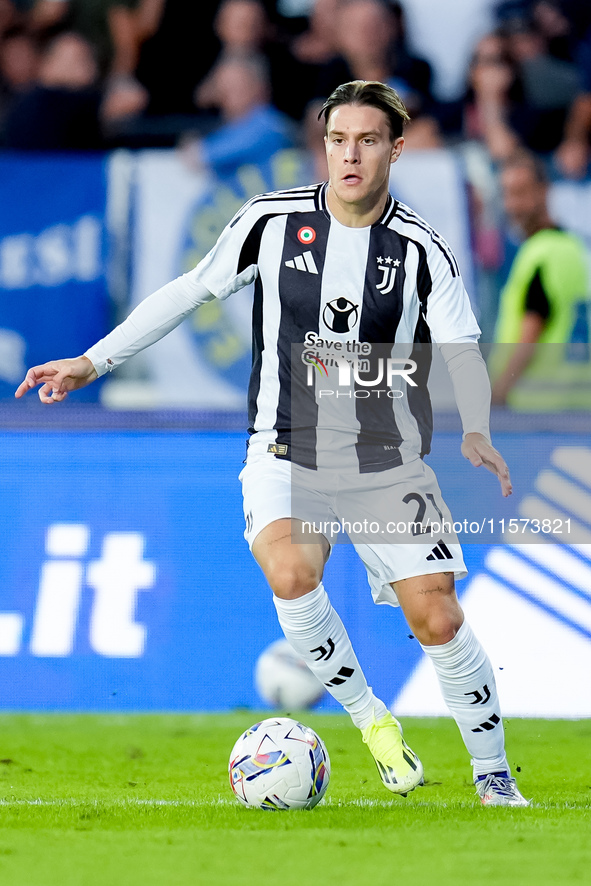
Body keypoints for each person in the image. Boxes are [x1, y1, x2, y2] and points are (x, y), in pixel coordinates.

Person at [15, 80, 529, 807]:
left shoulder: (420, 251)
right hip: (286, 447)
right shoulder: (268, 222)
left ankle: (494, 777)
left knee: (436, 613)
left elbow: (462, 348)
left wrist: (475, 426)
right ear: (323, 147)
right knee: (289, 570)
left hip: (386, 458)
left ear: (395, 149)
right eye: (337, 139)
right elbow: (188, 290)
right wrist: (93, 361)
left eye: (368, 140)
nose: (350, 155)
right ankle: (370, 720)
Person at [491, 151, 590, 409]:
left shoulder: (540, 254)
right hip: (576, 401)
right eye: (507, 194)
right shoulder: (573, 248)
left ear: (543, 191)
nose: (511, 205)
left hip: (534, 407)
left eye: (520, 193)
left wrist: (497, 395)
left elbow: (529, 337)